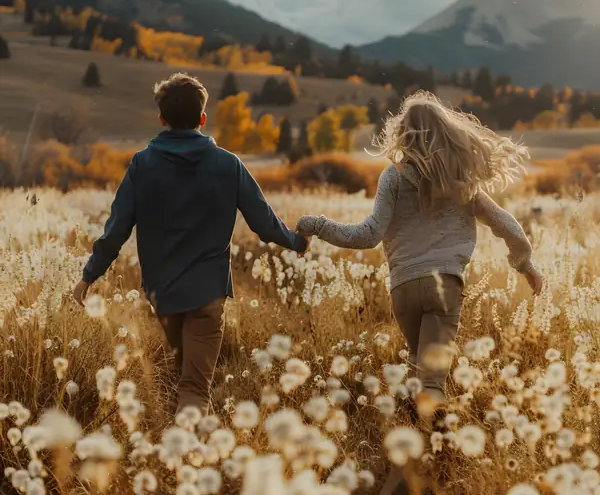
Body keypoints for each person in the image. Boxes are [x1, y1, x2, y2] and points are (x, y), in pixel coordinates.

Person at [296, 91, 543, 419]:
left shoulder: (393, 176)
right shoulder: (461, 180)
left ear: (404, 132)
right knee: (431, 381)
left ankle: (414, 441)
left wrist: (316, 224)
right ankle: (440, 448)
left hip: (404, 288)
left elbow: (368, 235)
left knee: (418, 368)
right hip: (444, 286)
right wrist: (524, 264)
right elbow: (505, 224)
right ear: (446, 130)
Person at [74, 72, 307, 416]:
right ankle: (188, 457)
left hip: (163, 295)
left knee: (181, 375)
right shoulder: (228, 164)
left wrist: (87, 276)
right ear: (202, 118)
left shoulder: (142, 164)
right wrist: (297, 241)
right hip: (207, 292)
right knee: (194, 386)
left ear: (162, 119)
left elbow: (116, 229)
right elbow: (264, 223)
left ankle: (173, 453)